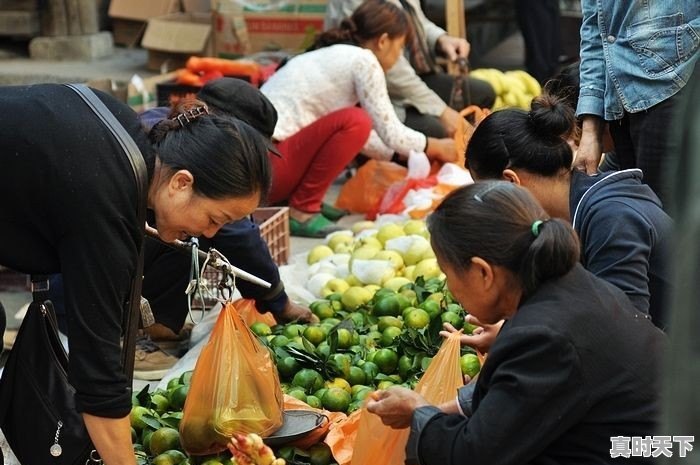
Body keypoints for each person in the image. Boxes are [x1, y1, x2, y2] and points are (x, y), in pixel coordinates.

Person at [0, 83, 271, 465]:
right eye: (214, 219)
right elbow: (96, 374)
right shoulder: (106, 199)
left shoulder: (130, 141)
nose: (211, 235)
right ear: (182, 183)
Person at [367, 181, 666, 464]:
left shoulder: (542, 339)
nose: (448, 286)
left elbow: (474, 456)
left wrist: (420, 413)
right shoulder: (570, 282)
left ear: (483, 273)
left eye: (448, 274)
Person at [463, 93, 672, 330]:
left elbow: (627, 334)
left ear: (511, 182)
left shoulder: (610, 218)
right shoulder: (578, 208)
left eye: (490, 200)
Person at [260, 0, 458, 238]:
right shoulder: (364, 60)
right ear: (383, 41)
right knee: (357, 120)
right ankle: (303, 210)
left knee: (355, 123)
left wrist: (401, 156)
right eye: (400, 48)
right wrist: (435, 146)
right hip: (270, 170)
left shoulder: (334, 55)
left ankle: (299, 200)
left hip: (263, 169)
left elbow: (366, 140)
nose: (397, 58)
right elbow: (390, 132)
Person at [575, 0, 700, 206]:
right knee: (641, 214)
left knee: (669, 218)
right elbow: (595, 31)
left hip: (676, 83)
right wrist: (591, 128)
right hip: (621, 105)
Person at [324, 0, 495, 139]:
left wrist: (441, 39)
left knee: (482, 93)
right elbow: (394, 73)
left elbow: (418, 22)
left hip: (416, 76)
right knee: (435, 130)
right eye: (399, 46)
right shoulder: (370, 61)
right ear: (382, 42)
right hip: (387, 88)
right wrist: (441, 113)